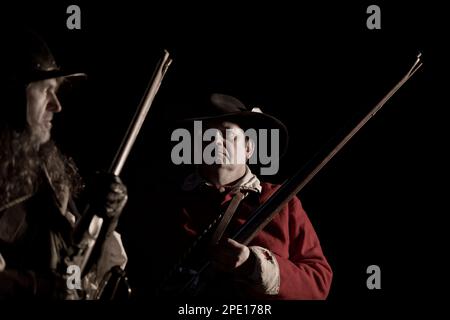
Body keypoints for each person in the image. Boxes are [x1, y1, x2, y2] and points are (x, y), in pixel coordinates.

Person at [156, 93, 332, 299]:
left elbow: (318, 283)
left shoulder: (283, 201)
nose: (216, 141)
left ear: (248, 148)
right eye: (206, 135)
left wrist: (254, 264)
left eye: (228, 134)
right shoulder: (167, 200)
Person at [0, 29, 128, 299]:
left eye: (56, 92)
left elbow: (74, 256)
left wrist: (105, 216)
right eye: (46, 91)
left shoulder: (45, 163)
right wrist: (35, 286)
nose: (57, 105)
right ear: (12, 93)